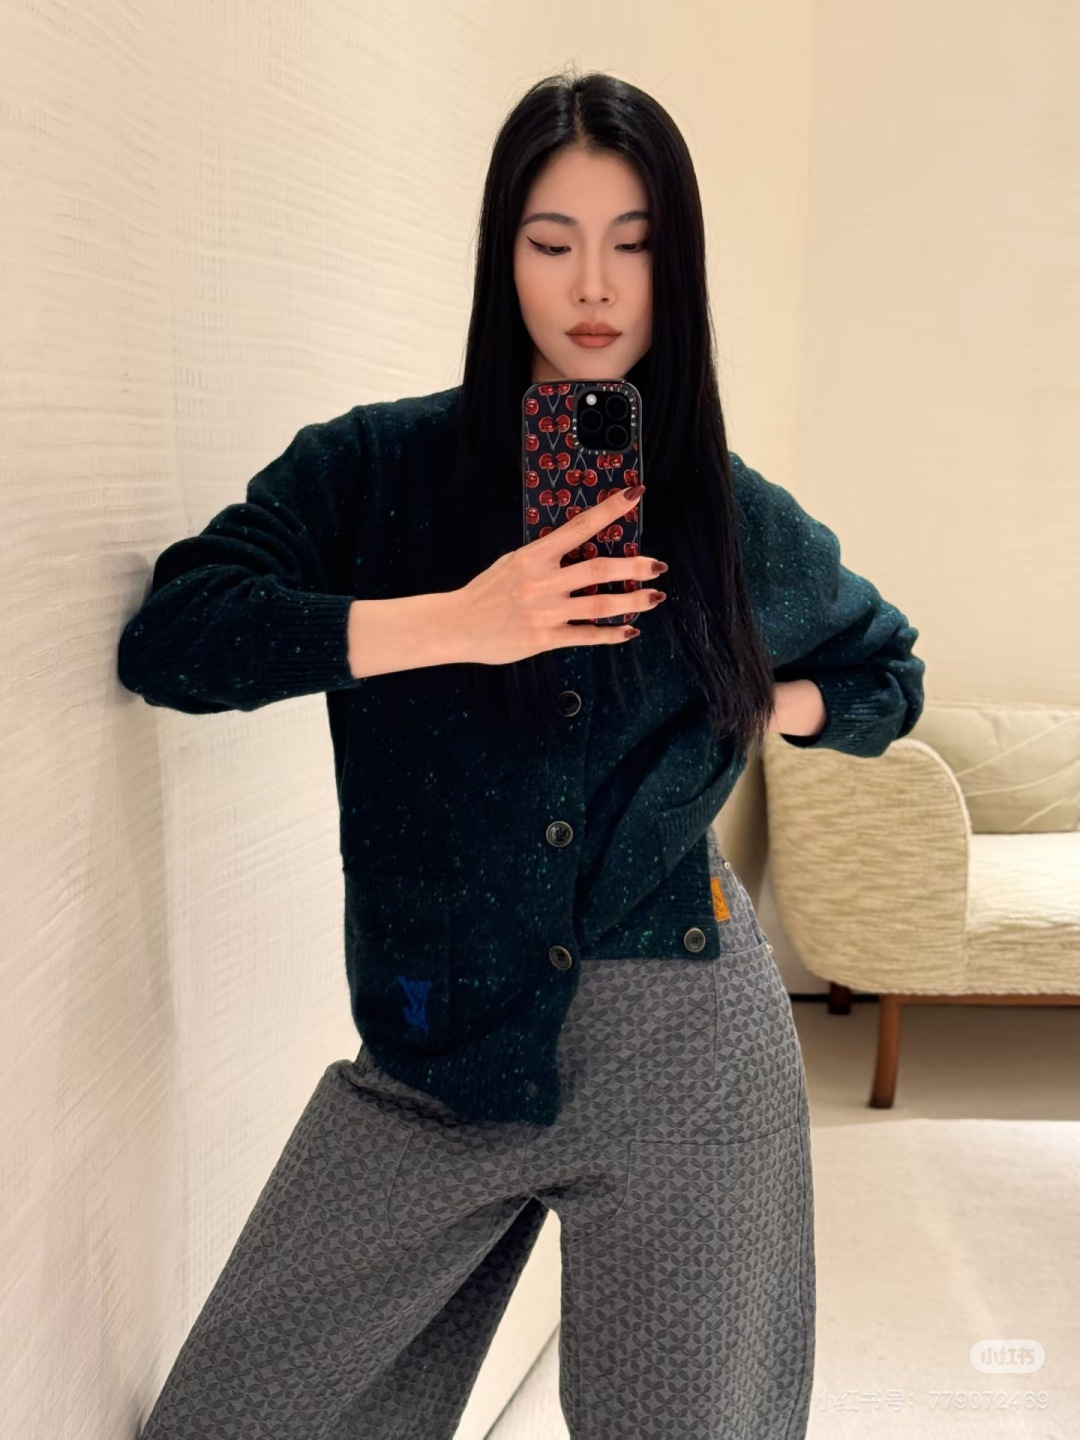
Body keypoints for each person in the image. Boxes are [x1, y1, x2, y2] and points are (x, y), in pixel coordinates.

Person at [121, 65, 925, 1440]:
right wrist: (457, 621)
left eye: (633, 245)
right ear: (504, 257)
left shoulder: (727, 512)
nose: (593, 286)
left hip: (688, 1043)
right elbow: (177, 640)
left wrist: (762, 699)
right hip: (437, 1048)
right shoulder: (376, 471)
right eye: (553, 242)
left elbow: (886, 677)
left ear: (679, 267)